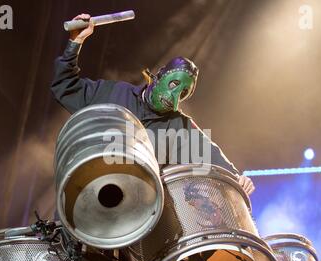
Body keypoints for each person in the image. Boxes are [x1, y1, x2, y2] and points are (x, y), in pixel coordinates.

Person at [51, 13, 255, 196]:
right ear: (158, 77)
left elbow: (213, 159)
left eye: (183, 93)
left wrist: (238, 179)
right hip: (88, 200)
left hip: (141, 222)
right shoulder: (114, 94)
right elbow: (64, 86)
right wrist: (75, 41)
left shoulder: (180, 126)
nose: (175, 96)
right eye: (174, 84)